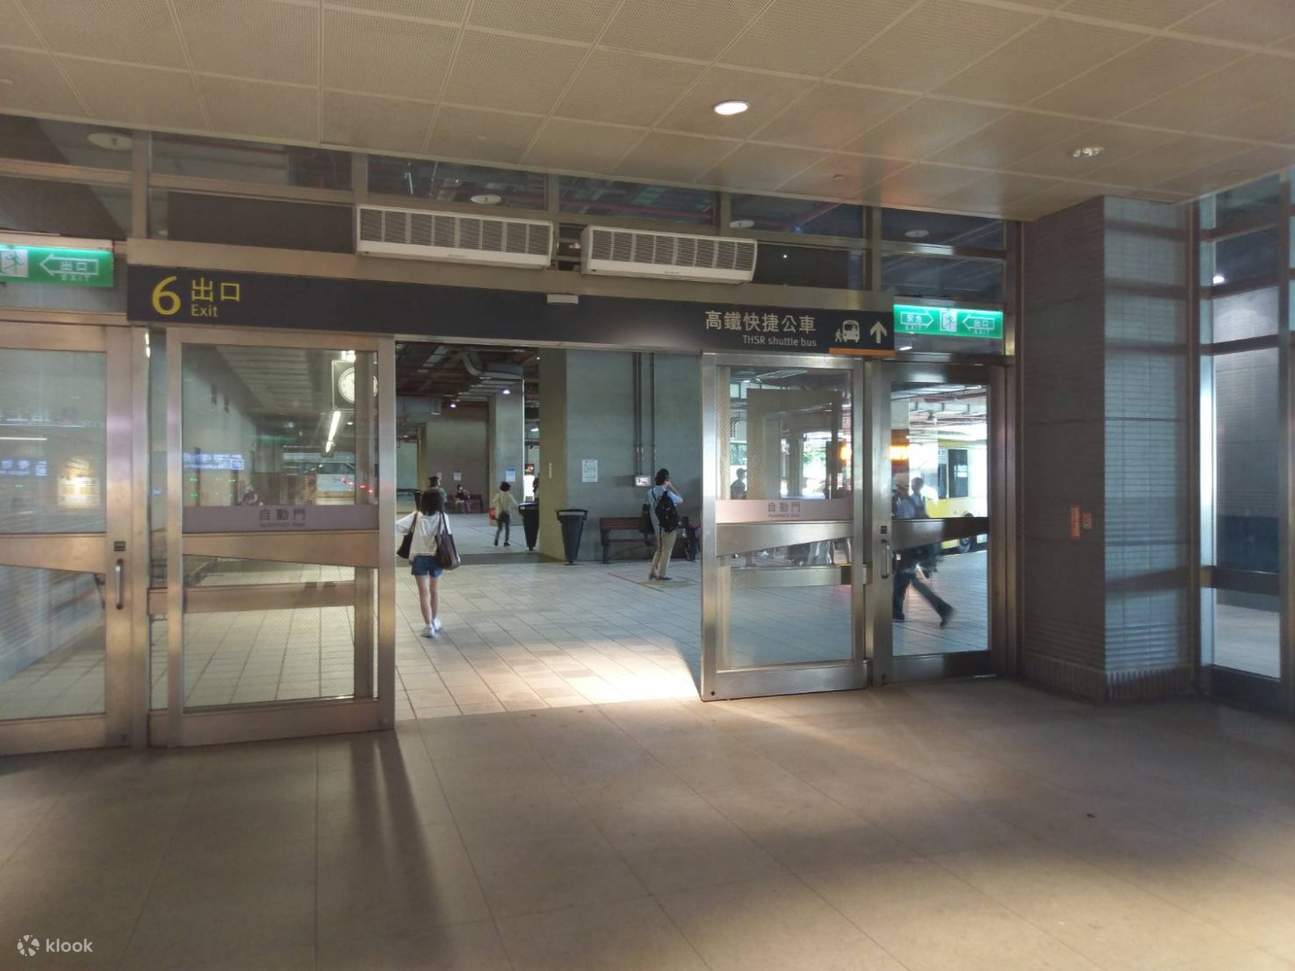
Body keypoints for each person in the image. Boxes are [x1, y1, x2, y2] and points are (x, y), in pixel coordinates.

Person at [892, 476, 953, 626]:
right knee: (904, 580)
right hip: (919, 548)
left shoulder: (906, 504)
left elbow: (903, 527)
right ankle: (896, 612)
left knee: (905, 580)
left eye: (898, 489)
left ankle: (943, 609)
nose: (897, 492)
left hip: (910, 549)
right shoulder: (921, 501)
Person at [396, 489, 451, 638]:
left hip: (419, 558)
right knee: (434, 591)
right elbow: (447, 536)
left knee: (423, 592)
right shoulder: (443, 517)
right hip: (437, 557)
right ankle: (434, 621)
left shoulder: (416, 516)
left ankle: (428, 627)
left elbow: (397, 526)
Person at [647, 468, 683, 581]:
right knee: (667, 551)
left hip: (656, 525)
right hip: (668, 526)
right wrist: (671, 487)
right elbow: (681, 499)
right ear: (666, 480)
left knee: (660, 549)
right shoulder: (668, 493)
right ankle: (662, 574)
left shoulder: (650, 492)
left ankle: (653, 571)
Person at [490, 480, 520, 547]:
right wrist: (518, 509)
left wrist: (496, 507)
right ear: (507, 488)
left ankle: (496, 539)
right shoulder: (509, 495)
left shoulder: (498, 494)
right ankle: (506, 542)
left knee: (499, 528)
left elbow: (493, 502)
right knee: (507, 528)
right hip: (506, 513)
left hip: (499, 513)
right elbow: (514, 503)